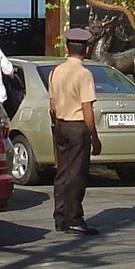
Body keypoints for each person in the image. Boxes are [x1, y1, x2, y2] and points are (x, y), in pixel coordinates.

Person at [48, 28, 102, 235]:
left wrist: (55, 128)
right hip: (77, 127)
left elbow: (52, 104)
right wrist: (94, 137)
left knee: (62, 173)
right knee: (76, 175)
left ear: (66, 48)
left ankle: (60, 216)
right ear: (86, 50)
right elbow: (87, 108)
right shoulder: (84, 74)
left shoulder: (55, 71)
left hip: (61, 124)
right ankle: (74, 218)